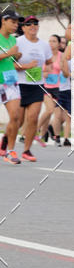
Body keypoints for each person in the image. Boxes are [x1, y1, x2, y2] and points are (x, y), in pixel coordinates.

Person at [13, 16, 53, 162]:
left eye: (35, 23)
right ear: (23, 28)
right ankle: (6, 142)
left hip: (37, 85)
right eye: (29, 24)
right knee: (18, 120)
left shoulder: (44, 45)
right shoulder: (18, 42)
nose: (33, 26)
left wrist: (47, 70)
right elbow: (10, 65)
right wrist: (26, 67)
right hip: (20, 84)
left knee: (33, 117)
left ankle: (27, 150)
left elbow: (49, 61)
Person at [0, 9, 23, 165]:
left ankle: (10, 150)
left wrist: (16, 57)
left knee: (15, 116)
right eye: (13, 22)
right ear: (3, 20)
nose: (16, 25)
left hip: (10, 81)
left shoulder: (14, 41)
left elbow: (11, 61)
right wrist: (9, 53)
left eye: (17, 23)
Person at [36, 34, 62, 146]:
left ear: (59, 44)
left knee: (49, 113)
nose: (51, 43)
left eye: (54, 41)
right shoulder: (45, 55)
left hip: (56, 87)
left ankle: (41, 136)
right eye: (50, 41)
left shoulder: (62, 56)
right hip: (45, 86)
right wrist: (45, 73)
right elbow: (38, 71)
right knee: (50, 110)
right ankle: (34, 131)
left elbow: (65, 71)